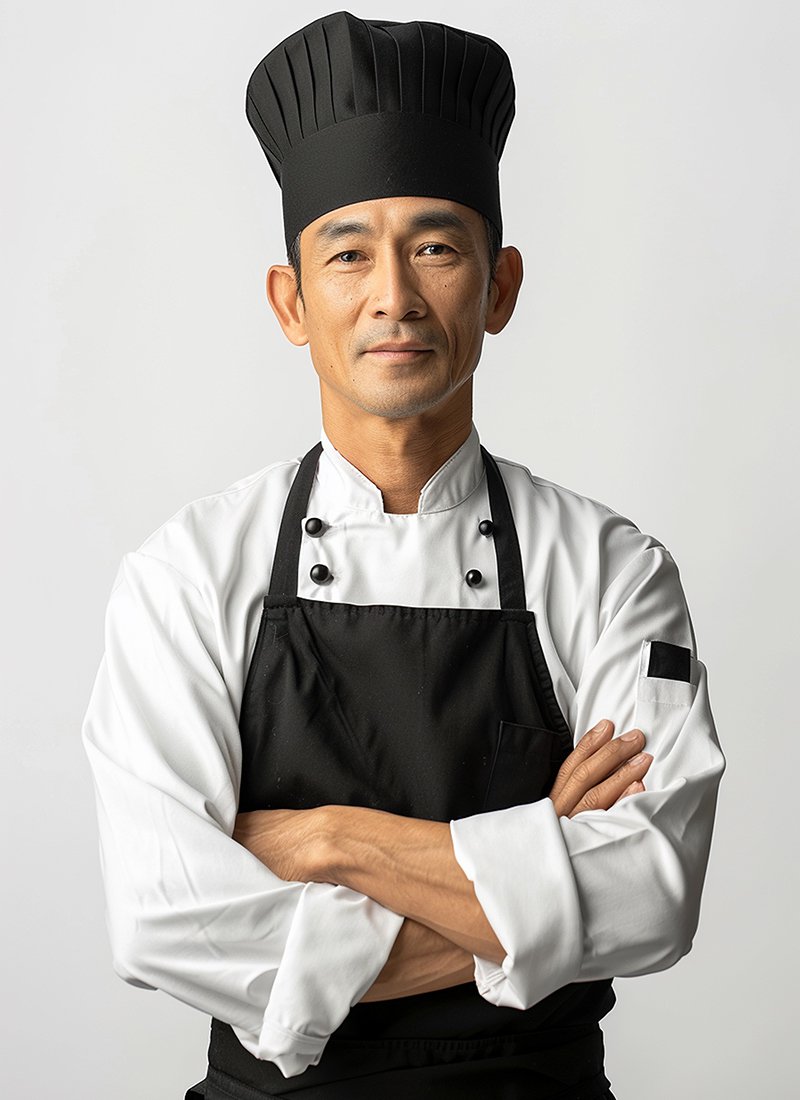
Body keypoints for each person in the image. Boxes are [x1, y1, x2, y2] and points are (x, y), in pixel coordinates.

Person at [82, 12, 725, 1100]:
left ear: (499, 286)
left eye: (435, 247)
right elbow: (161, 919)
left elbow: (652, 895)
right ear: (291, 301)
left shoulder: (614, 570)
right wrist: (540, 860)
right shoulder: (186, 573)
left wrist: (329, 840)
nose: (393, 295)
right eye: (347, 253)